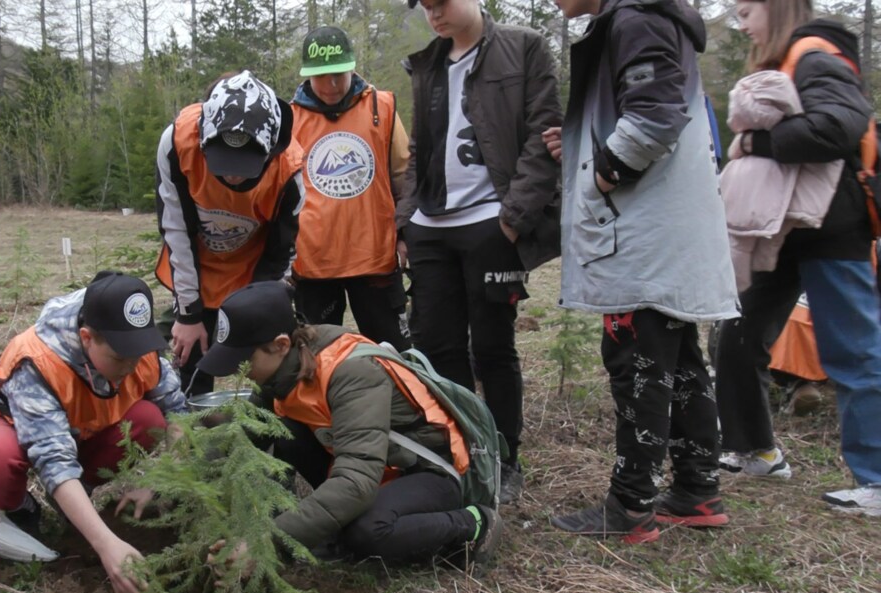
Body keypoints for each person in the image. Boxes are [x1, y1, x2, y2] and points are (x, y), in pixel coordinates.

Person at [545, 0, 739, 542]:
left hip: (644, 235)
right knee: (679, 364)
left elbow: (656, 113)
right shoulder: (646, 16)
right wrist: (585, 145)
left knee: (639, 364)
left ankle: (631, 505)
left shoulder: (635, 17)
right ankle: (698, 490)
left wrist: (605, 170)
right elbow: (647, 107)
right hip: (667, 232)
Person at [194, 281, 501, 565]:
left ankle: (475, 522)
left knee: (366, 533)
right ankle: (321, 529)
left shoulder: (352, 373)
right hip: (370, 464)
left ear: (280, 344)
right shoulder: (283, 369)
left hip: (428, 470)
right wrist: (170, 483)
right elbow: (245, 434)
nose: (239, 372)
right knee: (279, 429)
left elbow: (357, 481)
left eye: (244, 360)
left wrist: (266, 541)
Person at [714, 0, 881, 515]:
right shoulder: (786, 63)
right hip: (780, 229)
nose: (741, 25)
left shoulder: (815, 55)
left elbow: (839, 128)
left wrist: (755, 141)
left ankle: (876, 480)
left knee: (853, 352)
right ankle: (755, 450)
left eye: (746, 12)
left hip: (832, 227)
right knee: (736, 336)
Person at [397, 0, 563, 504]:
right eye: (425, 7)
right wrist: (405, 222)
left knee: (491, 347)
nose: (434, 14)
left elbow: (544, 136)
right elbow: (420, 151)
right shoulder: (427, 63)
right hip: (430, 227)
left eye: (440, 3)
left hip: (492, 223)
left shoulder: (524, 47)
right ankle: (459, 451)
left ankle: (505, 458)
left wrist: (512, 220)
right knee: (438, 348)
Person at [0, 272, 187, 593]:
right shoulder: (38, 360)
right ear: (86, 337)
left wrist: (160, 475)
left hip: (84, 432)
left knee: (149, 419)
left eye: (137, 353)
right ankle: (22, 508)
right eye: (120, 358)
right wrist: (107, 546)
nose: (132, 365)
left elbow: (178, 412)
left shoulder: (137, 348)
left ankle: (80, 495)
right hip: (14, 431)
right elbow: (53, 459)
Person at [154, 70, 305, 397]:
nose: (234, 176)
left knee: (265, 354)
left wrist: (260, 314)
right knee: (189, 351)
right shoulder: (177, 144)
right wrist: (188, 313)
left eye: (244, 165)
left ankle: (271, 423)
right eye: (223, 163)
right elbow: (176, 231)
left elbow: (281, 254)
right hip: (195, 265)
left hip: (253, 270)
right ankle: (190, 422)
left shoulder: (288, 172)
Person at [288, 26, 411, 350]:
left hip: (375, 257)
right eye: (322, 76)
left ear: (353, 67)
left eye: (338, 75)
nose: (331, 85)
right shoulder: (291, 118)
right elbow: (281, 195)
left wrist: (405, 235)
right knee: (315, 358)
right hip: (315, 263)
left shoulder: (381, 108)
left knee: (395, 354)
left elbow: (403, 176)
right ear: (307, 75)